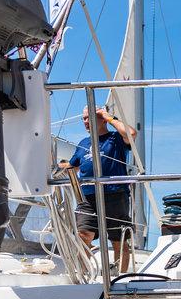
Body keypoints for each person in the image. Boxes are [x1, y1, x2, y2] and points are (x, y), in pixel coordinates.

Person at [58, 106, 137, 272]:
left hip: (115, 194)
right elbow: (72, 166)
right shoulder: (83, 144)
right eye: (84, 118)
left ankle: (119, 277)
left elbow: (131, 133)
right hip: (87, 198)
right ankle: (83, 275)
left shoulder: (115, 138)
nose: (86, 121)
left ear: (102, 118)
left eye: (90, 117)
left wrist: (108, 116)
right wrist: (52, 166)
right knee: (83, 235)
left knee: (118, 239)